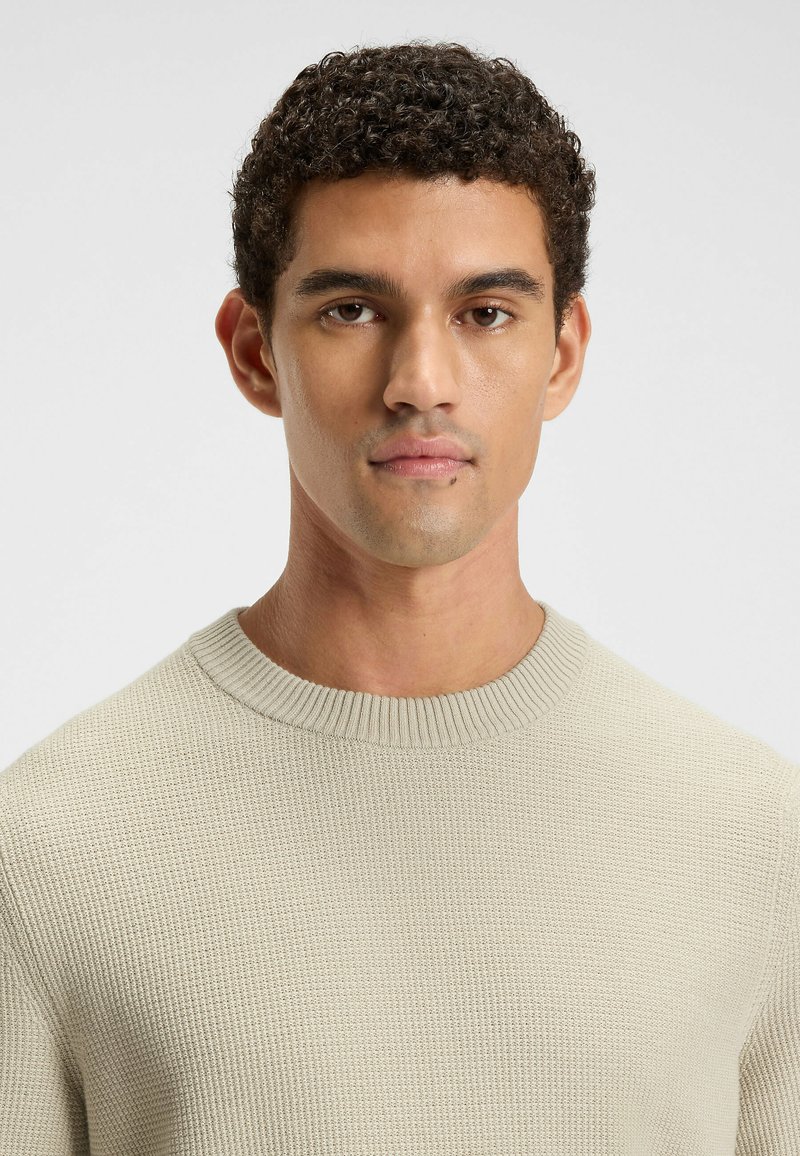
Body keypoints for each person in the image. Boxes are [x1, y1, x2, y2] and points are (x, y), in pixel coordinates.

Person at [1, 41, 797, 1155]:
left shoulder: (753, 840)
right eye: (350, 310)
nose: (420, 381)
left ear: (563, 352)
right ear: (253, 351)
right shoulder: (52, 846)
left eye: (486, 312)